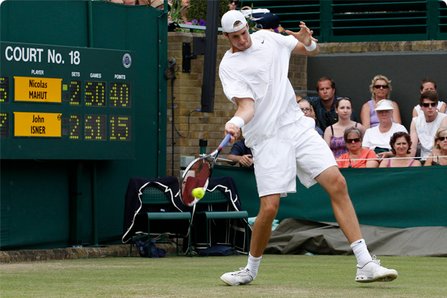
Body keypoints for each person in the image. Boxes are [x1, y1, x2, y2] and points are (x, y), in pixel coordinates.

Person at [218, 10, 397, 286]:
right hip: (267, 138)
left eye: (244, 33)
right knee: (269, 208)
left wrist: (309, 42)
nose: (243, 40)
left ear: (248, 28)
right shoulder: (229, 66)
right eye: (236, 37)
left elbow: (311, 50)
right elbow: (247, 105)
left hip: (297, 126)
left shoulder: (268, 38)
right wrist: (235, 121)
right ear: (227, 37)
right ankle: (250, 270)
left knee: (337, 183)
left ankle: (365, 263)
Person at [409, 91, 447, 160]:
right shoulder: (415, 121)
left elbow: (439, 145)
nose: (430, 107)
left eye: (433, 104)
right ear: (421, 107)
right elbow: (413, 147)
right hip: (423, 160)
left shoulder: (444, 118)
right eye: (426, 105)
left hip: (441, 160)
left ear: (436, 105)